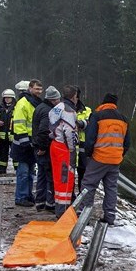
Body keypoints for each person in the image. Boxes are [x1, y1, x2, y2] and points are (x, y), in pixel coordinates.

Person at [81, 93, 130, 226]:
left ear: (103, 102)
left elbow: (90, 138)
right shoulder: (124, 119)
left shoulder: (97, 116)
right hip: (115, 160)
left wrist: (89, 153)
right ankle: (110, 217)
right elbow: (127, 143)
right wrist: (119, 154)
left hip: (98, 157)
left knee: (89, 185)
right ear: (115, 104)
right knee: (111, 188)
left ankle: (84, 217)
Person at [49, 85, 79, 218]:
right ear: (74, 96)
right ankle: (63, 212)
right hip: (64, 148)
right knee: (65, 180)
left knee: (58, 178)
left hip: (55, 144)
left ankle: (59, 208)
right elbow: (69, 132)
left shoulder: (56, 108)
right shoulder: (69, 111)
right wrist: (72, 149)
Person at [12, 79, 42, 207]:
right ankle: (21, 197)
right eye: (36, 89)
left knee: (30, 173)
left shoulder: (34, 103)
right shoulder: (23, 103)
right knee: (23, 173)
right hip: (22, 144)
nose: (39, 92)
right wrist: (26, 142)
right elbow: (19, 124)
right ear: (30, 88)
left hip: (31, 143)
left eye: (40, 89)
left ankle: (28, 195)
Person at [32, 86, 60, 213]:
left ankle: (40, 202)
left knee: (41, 175)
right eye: (58, 99)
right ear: (53, 99)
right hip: (45, 148)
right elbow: (44, 131)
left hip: (38, 146)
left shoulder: (40, 107)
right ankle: (50, 203)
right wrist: (43, 147)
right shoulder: (49, 111)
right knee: (49, 176)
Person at [74, 86, 91, 191]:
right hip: (69, 145)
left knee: (83, 172)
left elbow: (90, 124)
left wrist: (79, 124)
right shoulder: (63, 108)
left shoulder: (87, 110)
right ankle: (70, 196)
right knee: (68, 174)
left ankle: (82, 197)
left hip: (82, 146)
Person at [0, 89, 16, 175]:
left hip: (13, 135)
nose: (7, 99)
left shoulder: (16, 108)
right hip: (3, 135)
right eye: (6, 98)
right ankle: (2, 168)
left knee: (15, 153)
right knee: (3, 152)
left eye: (9, 98)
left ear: (13, 98)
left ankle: (17, 168)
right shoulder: (0, 108)